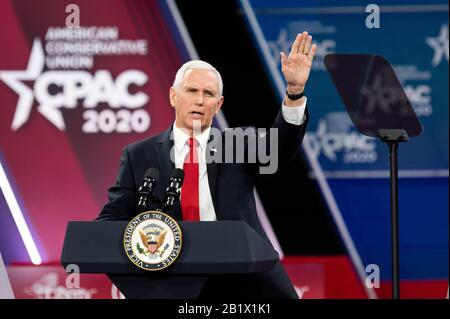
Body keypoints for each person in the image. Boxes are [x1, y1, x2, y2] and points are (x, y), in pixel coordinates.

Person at [97, 32, 316, 298]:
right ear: (173, 96)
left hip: (242, 273)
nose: (200, 100)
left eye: (208, 94)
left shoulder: (239, 144)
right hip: (174, 279)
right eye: (191, 91)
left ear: (218, 104)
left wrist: (294, 92)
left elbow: (281, 147)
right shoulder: (138, 155)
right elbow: (112, 217)